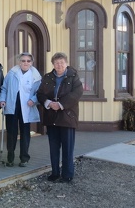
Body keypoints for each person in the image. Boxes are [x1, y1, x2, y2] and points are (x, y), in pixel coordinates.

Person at [37, 52, 83, 183]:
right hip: (51, 117)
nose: (59, 65)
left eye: (62, 62)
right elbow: (40, 93)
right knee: (53, 147)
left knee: (67, 148)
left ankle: (67, 175)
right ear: (53, 64)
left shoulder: (73, 77)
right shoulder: (47, 77)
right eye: (56, 63)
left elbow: (77, 93)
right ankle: (55, 173)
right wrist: (49, 103)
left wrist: (61, 104)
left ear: (66, 63)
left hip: (67, 117)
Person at [0, 52, 42, 167]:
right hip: (12, 106)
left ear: (31, 62)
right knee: (11, 132)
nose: (25, 63)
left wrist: (34, 99)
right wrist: (2, 99)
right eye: (23, 60)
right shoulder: (12, 73)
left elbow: (40, 92)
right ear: (19, 62)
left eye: (28, 61)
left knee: (25, 133)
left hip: (26, 106)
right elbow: (4, 88)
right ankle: (10, 157)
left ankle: (24, 158)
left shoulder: (36, 76)